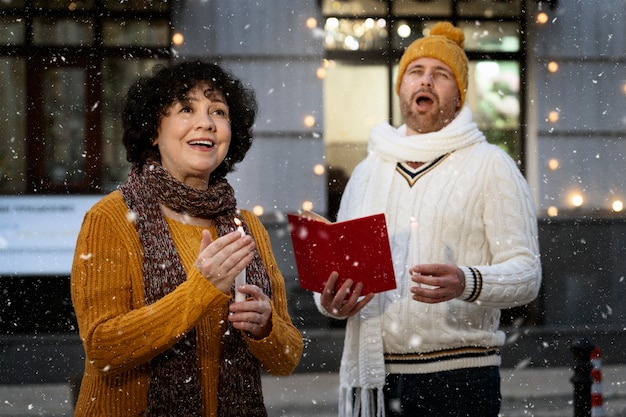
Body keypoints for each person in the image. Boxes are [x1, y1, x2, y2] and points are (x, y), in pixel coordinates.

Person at [314, 22, 541, 417]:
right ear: (401, 88)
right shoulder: (369, 170)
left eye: (441, 75)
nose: (426, 81)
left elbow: (527, 275)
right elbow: (336, 273)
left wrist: (466, 281)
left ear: (459, 96)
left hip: (462, 380)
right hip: (378, 380)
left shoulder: (492, 166)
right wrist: (330, 302)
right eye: (416, 72)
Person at [71, 60, 303, 417]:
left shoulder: (248, 227)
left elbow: (288, 358)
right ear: (153, 131)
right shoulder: (111, 219)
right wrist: (200, 290)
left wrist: (266, 326)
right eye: (186, 109)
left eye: (218, 112)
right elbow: (102, 348)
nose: (206, 122)